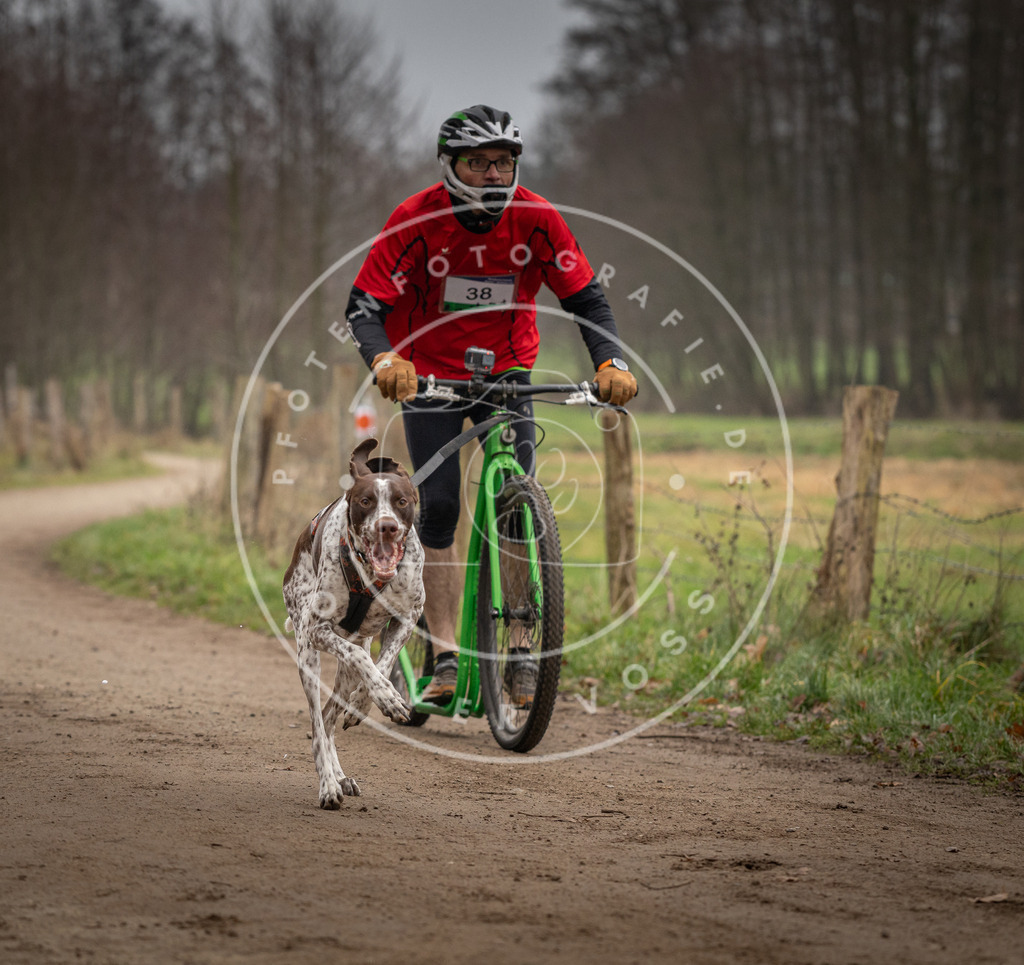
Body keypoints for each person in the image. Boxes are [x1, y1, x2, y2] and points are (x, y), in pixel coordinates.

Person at [345, 104, 637, 704]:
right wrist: (384, 363)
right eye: (478, 163)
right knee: (442, 508)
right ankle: (444, 653)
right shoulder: (415, 220)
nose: (493, 175)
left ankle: (523, 651)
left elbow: (587, 300)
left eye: (502, 163)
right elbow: (363, 307)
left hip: (507, 370)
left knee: (515, 505)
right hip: (428, 376)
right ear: (451, 166)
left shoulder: (537, 220)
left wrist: (611, 362)